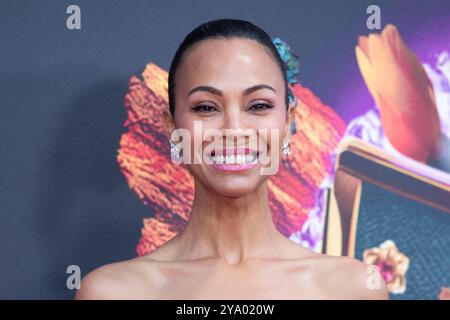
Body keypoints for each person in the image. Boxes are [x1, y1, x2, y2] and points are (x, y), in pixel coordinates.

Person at [75, 18, 388, 300]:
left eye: (258, 106)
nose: (234, 130)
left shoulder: (352, 288)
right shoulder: (115, 292)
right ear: (173, 126)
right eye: (207, 108)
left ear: (288, 121)